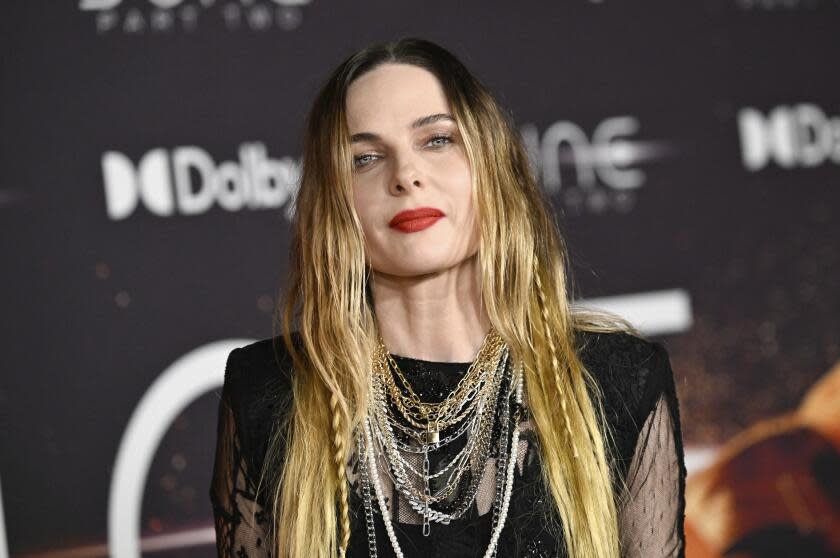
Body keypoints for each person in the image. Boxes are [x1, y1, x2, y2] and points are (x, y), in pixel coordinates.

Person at [210, 37, 686, 558]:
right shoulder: (269, 392)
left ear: (492, 163)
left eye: (436, 140)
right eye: (365, 157)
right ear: (332, 201)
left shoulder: (618, 380)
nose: (405, 176)